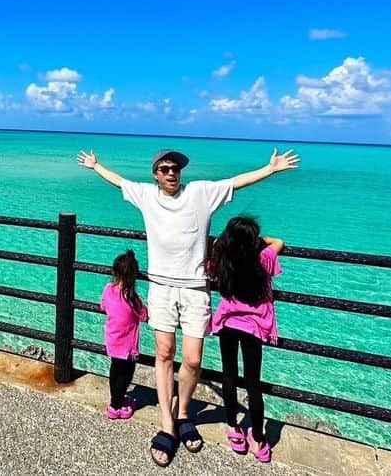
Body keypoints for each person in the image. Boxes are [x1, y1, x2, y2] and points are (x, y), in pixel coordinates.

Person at [77, 147, 299, 468]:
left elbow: (236, 183)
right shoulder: (146, 196)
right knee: (165, 353)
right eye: (165, 168)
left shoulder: (200, 193)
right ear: (155, 173)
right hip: (161, 286)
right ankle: (167, 424)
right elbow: (119, 182)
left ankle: (184, 415)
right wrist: (97, 166)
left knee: (193, 359)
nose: (171, 173)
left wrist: (270, 169)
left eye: (175, 168)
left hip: (195, 289)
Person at [206, 216, 284, 463]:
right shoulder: (263, 258)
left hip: (227, 324)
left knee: (228, 376)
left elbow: (216, 247)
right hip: (254, 328)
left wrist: (224, 242)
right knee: (253, 383)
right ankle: (259, 439)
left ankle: (233, 428)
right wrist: (260, 241)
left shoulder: (223, 259)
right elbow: (278, 242)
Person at [101, 249, 149, 420]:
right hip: (128, 345)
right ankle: (116, 406)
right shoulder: (133, 299)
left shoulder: (108, 289)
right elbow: (144, 316)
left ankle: (115, 399)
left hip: (112, 339)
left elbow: (103, 306)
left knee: (115, 370)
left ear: (115, 272)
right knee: (126, 373)